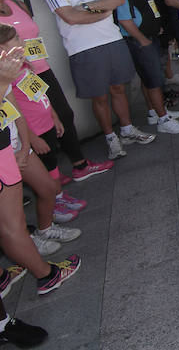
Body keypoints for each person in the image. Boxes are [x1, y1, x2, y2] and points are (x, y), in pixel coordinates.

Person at [37, 0, 155, 160]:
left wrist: (87, 8)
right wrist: (102, 9)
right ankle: (111, 138)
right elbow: (70, 17)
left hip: (112, 39)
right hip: (83, 47)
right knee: (99, 96)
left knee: (120, 88)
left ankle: (127, 128)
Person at [0, 0, 112, 183]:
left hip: (37, 70)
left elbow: (32, 36)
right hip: (12, 78)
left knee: (62, 114)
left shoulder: (16, 4)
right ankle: (50, 176)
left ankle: (79, 165)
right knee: (31, 124)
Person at [0, 47, 81, 297]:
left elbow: (15, 111)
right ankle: (47, 275)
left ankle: (5, 274)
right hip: (3, 157)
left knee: (47, 188)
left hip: (11, 148)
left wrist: (25, 146)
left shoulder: (9, 71)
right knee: (12, 226)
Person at [105, 0, 179, 134]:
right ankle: (163, 119)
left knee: (150, 78)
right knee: (154, 80)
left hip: (149, 37)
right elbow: (125, 19)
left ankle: (155, 112)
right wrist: (142, 39)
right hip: (140, 41)